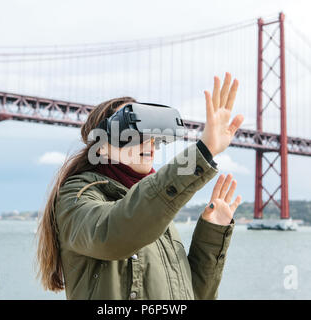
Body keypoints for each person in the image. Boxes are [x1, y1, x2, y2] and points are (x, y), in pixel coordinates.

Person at [36, 73, 244, 300]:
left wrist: (211, 235)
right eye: (132, 131)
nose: (149, 141)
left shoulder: (156, 209)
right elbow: (115, 233)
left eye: (153, 133)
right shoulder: (78, 196)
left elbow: (190, 296)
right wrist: (203, 152)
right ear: (101, 148)